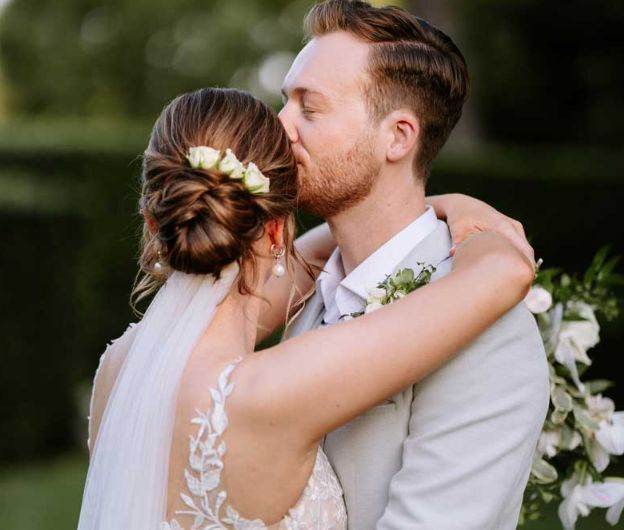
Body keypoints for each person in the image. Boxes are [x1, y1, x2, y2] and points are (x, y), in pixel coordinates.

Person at [77, 86, 536, 530]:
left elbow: (314, 256)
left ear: (153, 221)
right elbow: (504, 273)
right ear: (277, 232)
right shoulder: (275, 390)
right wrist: (463, 209)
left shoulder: (118, 369)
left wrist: (435, 206)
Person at [277, 1, 550, 528]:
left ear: (398, 137)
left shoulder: (489, 335)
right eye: (285, 101)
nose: (279, 125)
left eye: (309, 108)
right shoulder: (306, 291)